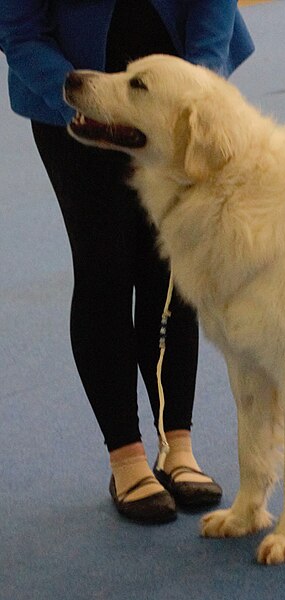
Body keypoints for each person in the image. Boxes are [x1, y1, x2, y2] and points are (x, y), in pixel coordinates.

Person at [0, 0, 254, 524]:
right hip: (76, 95)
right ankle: (127, 458)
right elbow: (19, 27)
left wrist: (202, 81)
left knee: (170, 273)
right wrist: (76, 94)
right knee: (103, 270)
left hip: (173, 104)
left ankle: (176, 443)